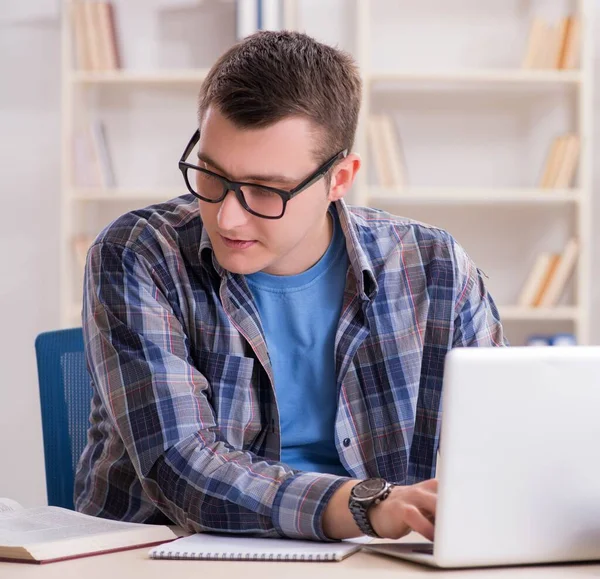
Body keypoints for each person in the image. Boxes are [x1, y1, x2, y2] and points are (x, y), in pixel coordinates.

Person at [74, 30, 506, 543]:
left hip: (383, 559)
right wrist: (368, 505)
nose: (228, 216)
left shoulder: (437, 269)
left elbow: (496, 453)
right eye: (211, 175)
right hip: (169, 555)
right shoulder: (139, 253)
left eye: (265, 189)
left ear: (339, 179)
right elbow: (181, 466)